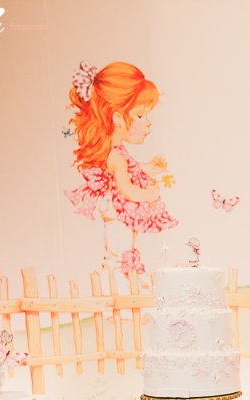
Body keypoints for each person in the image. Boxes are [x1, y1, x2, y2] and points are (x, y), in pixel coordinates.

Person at [65, 60, 176, 279]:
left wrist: (149, 169)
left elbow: (131, 171)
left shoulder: (116, 152)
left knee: (124, 249)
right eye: (140, 115)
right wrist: (147, 194)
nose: (148, 123)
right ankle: (118, 285)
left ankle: (129, 279)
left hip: (117, 209)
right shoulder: (115, 156)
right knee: (118, 253)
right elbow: (126, 188)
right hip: (116, 210)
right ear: (117, 118)